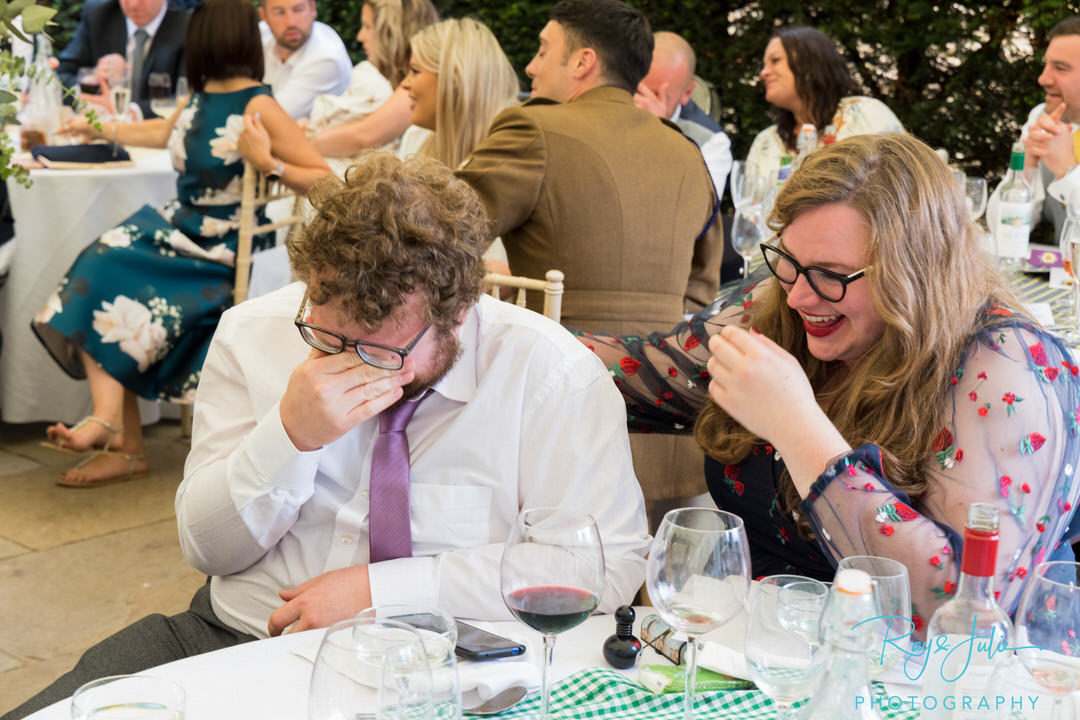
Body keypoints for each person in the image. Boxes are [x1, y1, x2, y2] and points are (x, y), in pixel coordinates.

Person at [0, 151, 651, 718]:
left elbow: (603, 568)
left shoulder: (550, 374)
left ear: (457, 313)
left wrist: (383, 593)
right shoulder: (255, 334)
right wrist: (288, 437)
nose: (346, 364)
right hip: (238, 637)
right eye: (327, 334)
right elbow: (207, 551)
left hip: (460, 665)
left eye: (382, 352)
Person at [578, 132, 1080, 632]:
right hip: (770, 660)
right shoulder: (780, 307)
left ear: (915, 272)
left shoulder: (1006, 366)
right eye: (788, 263)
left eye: (831, 275)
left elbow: (961, 606)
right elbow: (638, 373)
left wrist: (796, 427)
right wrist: (511, 334)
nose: (799, 296)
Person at [30, 0, 329, 488]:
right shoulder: (203, 93)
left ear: (208, 39)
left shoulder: (260, 105)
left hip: (221, 251)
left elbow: (323, 179)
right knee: (100, 263)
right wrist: (96, 125)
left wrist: (268, 161)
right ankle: (117, 435)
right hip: (178, 233)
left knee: (107, 268)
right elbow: (157, 130)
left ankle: (115, 434)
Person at [455, 0, 723, 333]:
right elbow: (702, 288)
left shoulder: (533, 129)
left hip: (553, 370)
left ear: (583, 62)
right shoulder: (688, 152)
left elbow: (442, 234)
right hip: (661, 372)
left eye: (542, 52)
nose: (530, 68)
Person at [747, 25, 903, 182]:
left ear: (809, 64)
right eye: (764, 64)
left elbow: (904, 183)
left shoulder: (865, 114)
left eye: (775, 60)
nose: (763, 72)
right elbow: (748, 202)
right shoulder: (765, 142)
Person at [988, 15, 1080, 245]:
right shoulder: (1042, 118)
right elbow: (1002, 231)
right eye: (1046, 65)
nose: (1043, 78)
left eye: (1060, 68)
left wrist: (1068, 172)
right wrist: (1025, 167)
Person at [310, 0, 439, 159]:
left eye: (367, 27)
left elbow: (363, 136)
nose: (360, 36)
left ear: (392, 33)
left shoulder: (415, 90)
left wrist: (303, 139)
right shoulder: (393, 79)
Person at [398, 18, 520, 174]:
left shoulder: (512, 153)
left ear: (454, 79)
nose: (404, 84)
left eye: (415, 71)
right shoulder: (416, 137)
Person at [634, 31, 732, 202]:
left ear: (687, 93)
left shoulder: (712, 143)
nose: (642, 103)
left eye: (658, 95)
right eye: (638, 90)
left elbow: (696, 212)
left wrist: (659, 136)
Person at [56, 0, 190, 118]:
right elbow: (59, 77)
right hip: (102, 133)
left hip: (159, 136)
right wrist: (93, 78)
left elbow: (190, 97)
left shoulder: (189, 25)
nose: (133, 4)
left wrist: (131, 111)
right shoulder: (99, 14)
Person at [259, 0, 352, 119]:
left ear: (313, 8)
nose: (291, 22)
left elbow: (269, 119)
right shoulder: (261, 35)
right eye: (279, 13)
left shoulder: (326, 59)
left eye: (298, 10)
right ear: (264, 16)